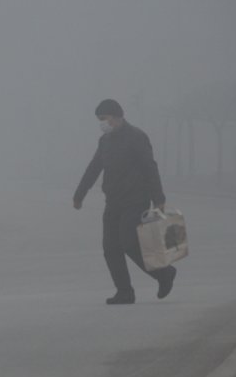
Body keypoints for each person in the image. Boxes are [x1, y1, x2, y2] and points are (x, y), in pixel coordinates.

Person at [73, 99, 177, 304]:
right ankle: (124, 292)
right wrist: (79, 194)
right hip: (113, 201)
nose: (102, 123)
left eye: (104, 119)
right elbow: (94, 168)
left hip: (135, 200)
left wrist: (158, 198)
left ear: (116, 116)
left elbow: (149, 167)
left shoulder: (136, 137)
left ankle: (164, 273)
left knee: (129, 242)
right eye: (99, 120)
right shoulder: (105, 141)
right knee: (110, 248)